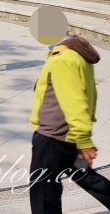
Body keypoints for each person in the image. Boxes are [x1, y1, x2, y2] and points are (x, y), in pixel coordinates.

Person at [28, 33, 110, 213]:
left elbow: (75, 101)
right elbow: (88, 94)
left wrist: (83, 140)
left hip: (53, 137)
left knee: (43, 191)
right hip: (69, 135)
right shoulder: (75, 52)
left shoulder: (63, 59)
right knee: (86, 176)